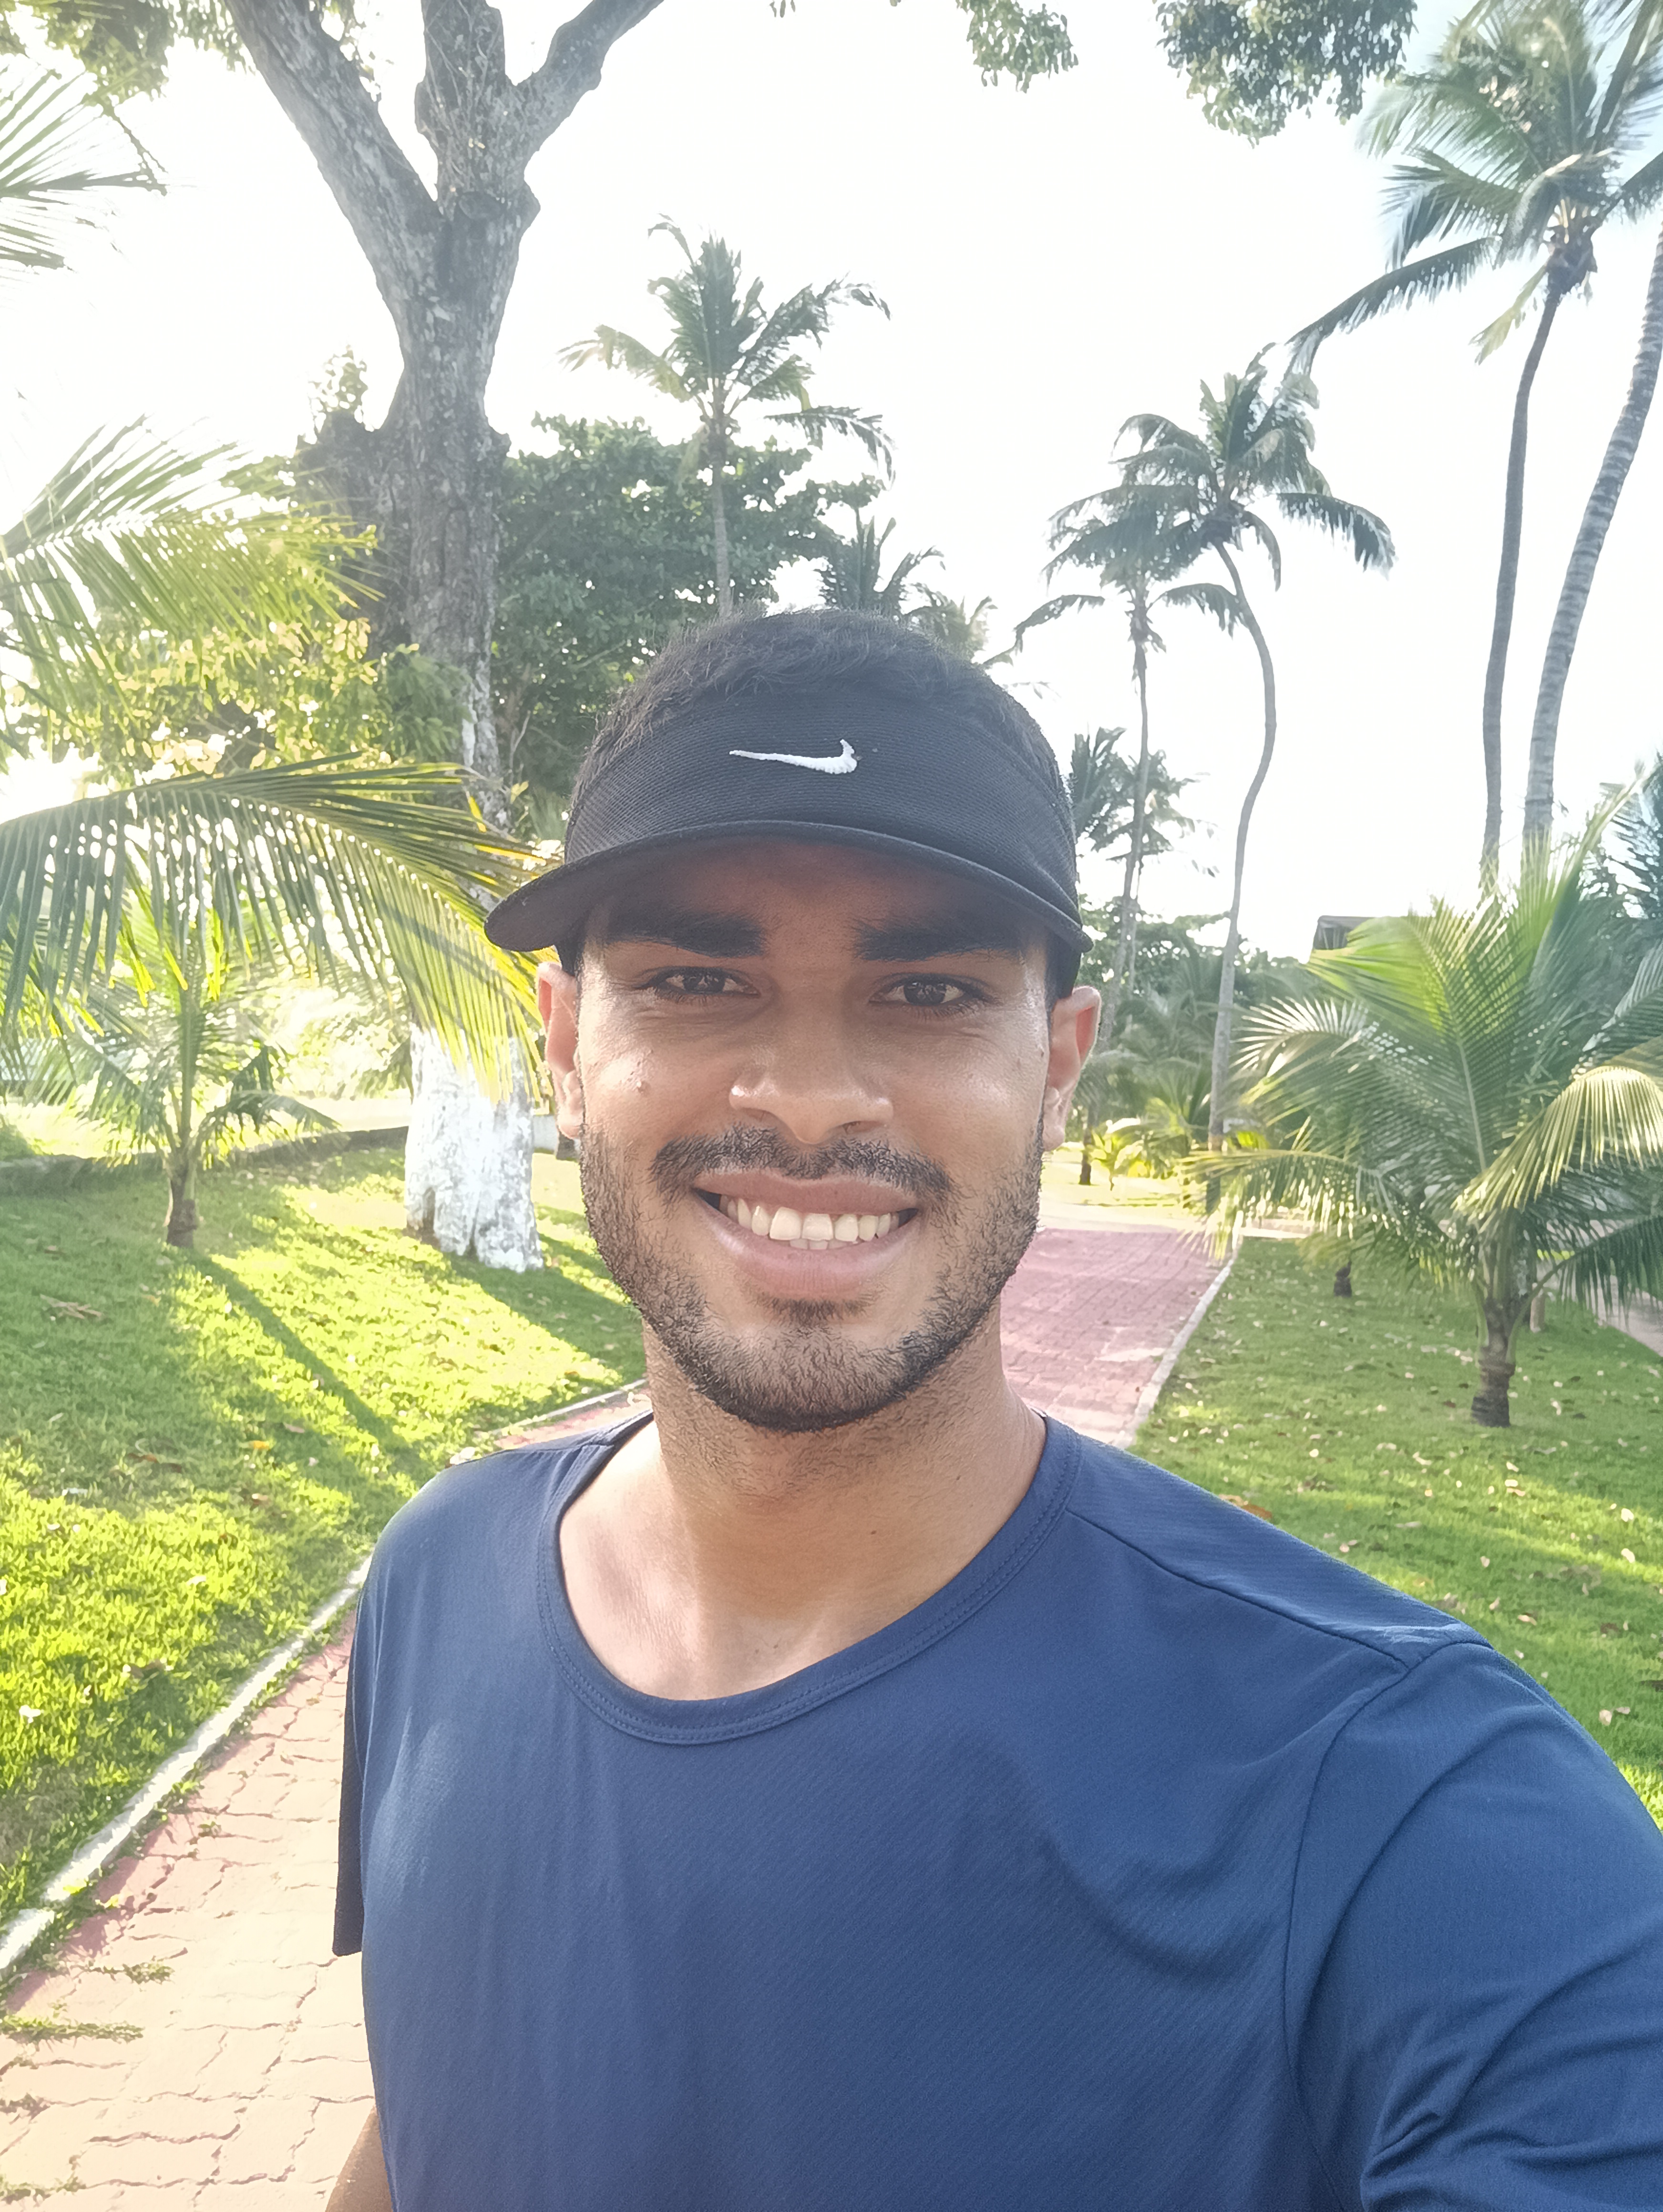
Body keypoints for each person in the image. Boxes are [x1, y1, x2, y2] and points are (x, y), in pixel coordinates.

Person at [328, 609, 1663, 2212]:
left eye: (928, 991)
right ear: (563, 1046)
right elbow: (434, 2094)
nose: (809, 1096)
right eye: (693, 980)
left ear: (1057, 1066)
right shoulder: (437, 1584)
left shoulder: (1407, 1808)